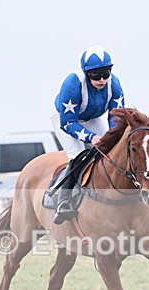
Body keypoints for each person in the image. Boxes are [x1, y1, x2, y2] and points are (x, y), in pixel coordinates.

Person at [50, 45, 125, 224]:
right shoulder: (72, 83)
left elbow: (116, 118)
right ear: (86, 73)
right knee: (78, 155)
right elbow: (68, 123)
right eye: (95, 75)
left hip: (92, 118)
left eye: (105, 73)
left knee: (111, 150)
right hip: (66, 120)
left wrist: (112, 137)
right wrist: (91, 137)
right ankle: (63, 201)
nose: (102, 79)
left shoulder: (114, 84)